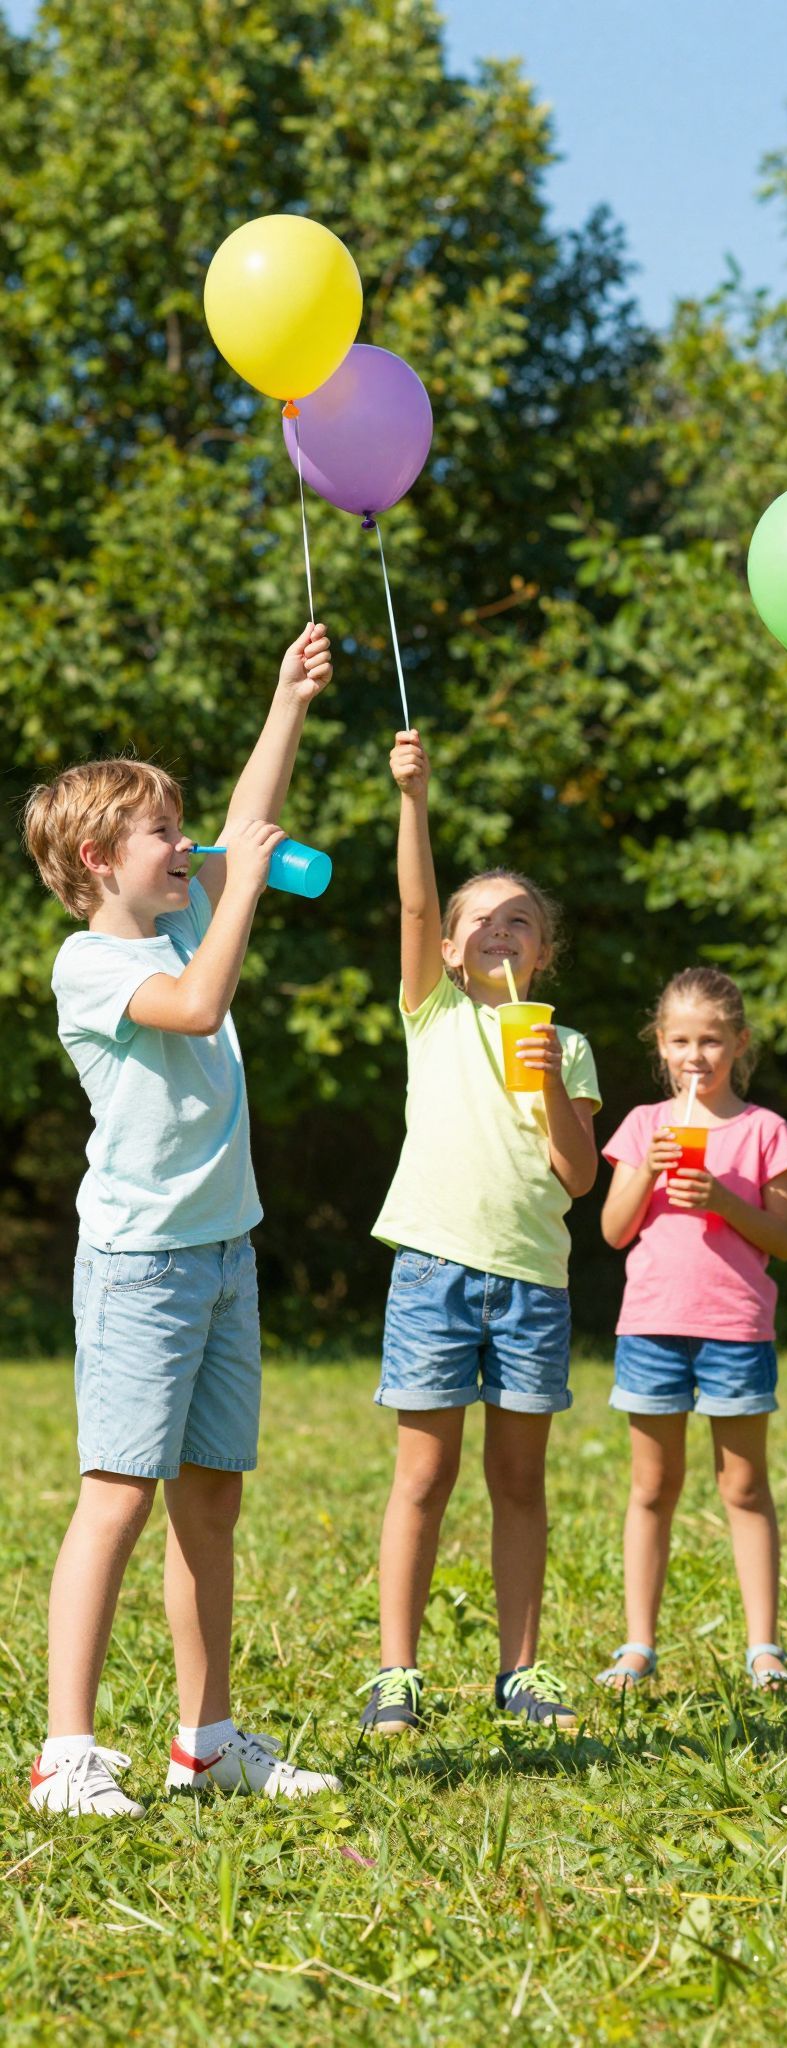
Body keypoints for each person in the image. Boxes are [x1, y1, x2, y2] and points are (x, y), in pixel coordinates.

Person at [21, 623, 342, 1818]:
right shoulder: (94, 966)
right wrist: (244, 883)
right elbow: (202, 1009)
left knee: (212, 1494)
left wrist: (287, 700)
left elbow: (246, 817)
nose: (193, 844)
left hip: (222, 1253)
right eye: (168, 831)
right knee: (119, 1491)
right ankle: (68, 1751)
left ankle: (204, 1738)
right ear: (105, 856)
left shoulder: (175, 915)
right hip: (141, 1268)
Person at [360, 728, 600, 1737]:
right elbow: (415, 900)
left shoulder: (570, 1042)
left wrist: (546, 1072)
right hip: (433, 1271)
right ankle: (396, 1672)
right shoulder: (435, 1017)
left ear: (543, 950)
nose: (501, 931)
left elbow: (579, 1174)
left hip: (533, 1282)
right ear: (451, 948)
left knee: (519, 1480)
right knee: (423, 1473)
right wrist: (412, 799)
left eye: (522, 921)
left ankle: (522, 1668)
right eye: (482, 921)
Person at [595, 968, 787, 1695]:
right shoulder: (644, 1127)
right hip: (652, 1327)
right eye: (681, 1040)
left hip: (736, 1330)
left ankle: (764, 1646)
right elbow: (613, 1231)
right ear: (660, 1044)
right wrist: (646, 1175)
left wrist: (722, 1197)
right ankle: (638, 1644)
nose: (696, 1056)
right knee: (653, 1487)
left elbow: (783, 1239)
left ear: (739, 1043)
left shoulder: (763, 1132)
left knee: (744, 1486)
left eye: (712, 1040)